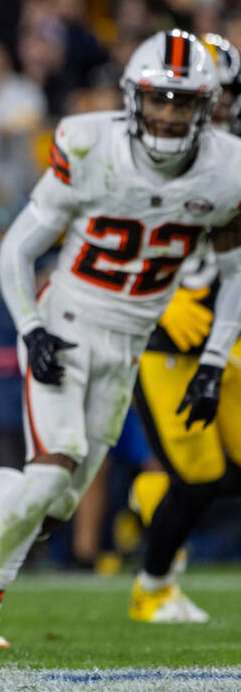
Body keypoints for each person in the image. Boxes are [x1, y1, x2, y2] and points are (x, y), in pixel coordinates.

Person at [0, 30, 241, 649]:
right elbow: (18, 251)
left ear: (206, 107)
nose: (167, 115)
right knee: (48, 479)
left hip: (130, 344)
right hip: (68, 323)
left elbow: (236, 272)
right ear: (134, 98)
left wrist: (212, 360)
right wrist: (32, 328)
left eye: (183, 103)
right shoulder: (89, 144)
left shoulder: (227, 169)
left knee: (55, 507)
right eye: (158, 99)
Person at [127, 33, 241, 623]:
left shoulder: (232, 161)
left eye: (221, 97)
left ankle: (153, 499)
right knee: (198, 477)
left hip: (226, 331)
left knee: (220, 474)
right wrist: (159, 302)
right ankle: (152, 585)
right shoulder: (143, 152)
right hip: (167, 336)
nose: (214, 109)